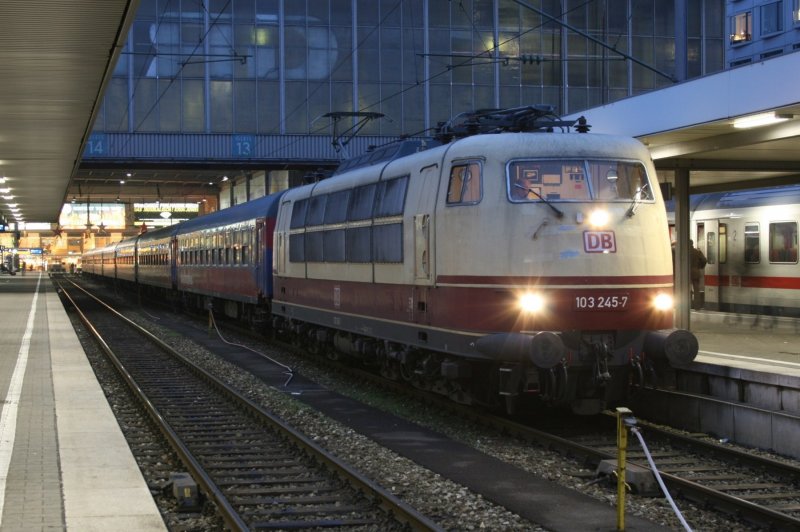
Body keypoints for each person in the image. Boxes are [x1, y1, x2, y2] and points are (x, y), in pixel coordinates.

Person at [690, 239, 707, 310]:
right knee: (696, 290)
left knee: (685, 289)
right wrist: (700, 266)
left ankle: (688, 305)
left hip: (685, 273)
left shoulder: (683, 251)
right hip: (696, 272)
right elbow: (704, 260)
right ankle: (697, 307)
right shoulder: (697, 251)